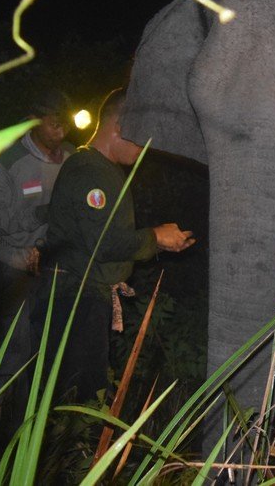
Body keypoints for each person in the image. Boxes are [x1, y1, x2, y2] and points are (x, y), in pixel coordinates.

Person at [36, 88, 196, 402]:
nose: (145, 148)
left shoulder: (104, 171)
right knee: (81, 399)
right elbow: (104, 243)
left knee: (86, 393)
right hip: (75, 300)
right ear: (121, 125)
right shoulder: (90, 171)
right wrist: (155, 236)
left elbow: (104, 239)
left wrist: (160, 244)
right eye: (142, 138)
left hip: (85, 298)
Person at [0, 88, 74, 414]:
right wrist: (36, 215)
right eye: (54, 124)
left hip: (52, 266)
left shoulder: (72, 158)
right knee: (13, 349)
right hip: (10, 266)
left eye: (65, 124)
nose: (61, 131)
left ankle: (33, 417)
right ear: (34, 121)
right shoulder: (7, 160)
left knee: (46, 346)